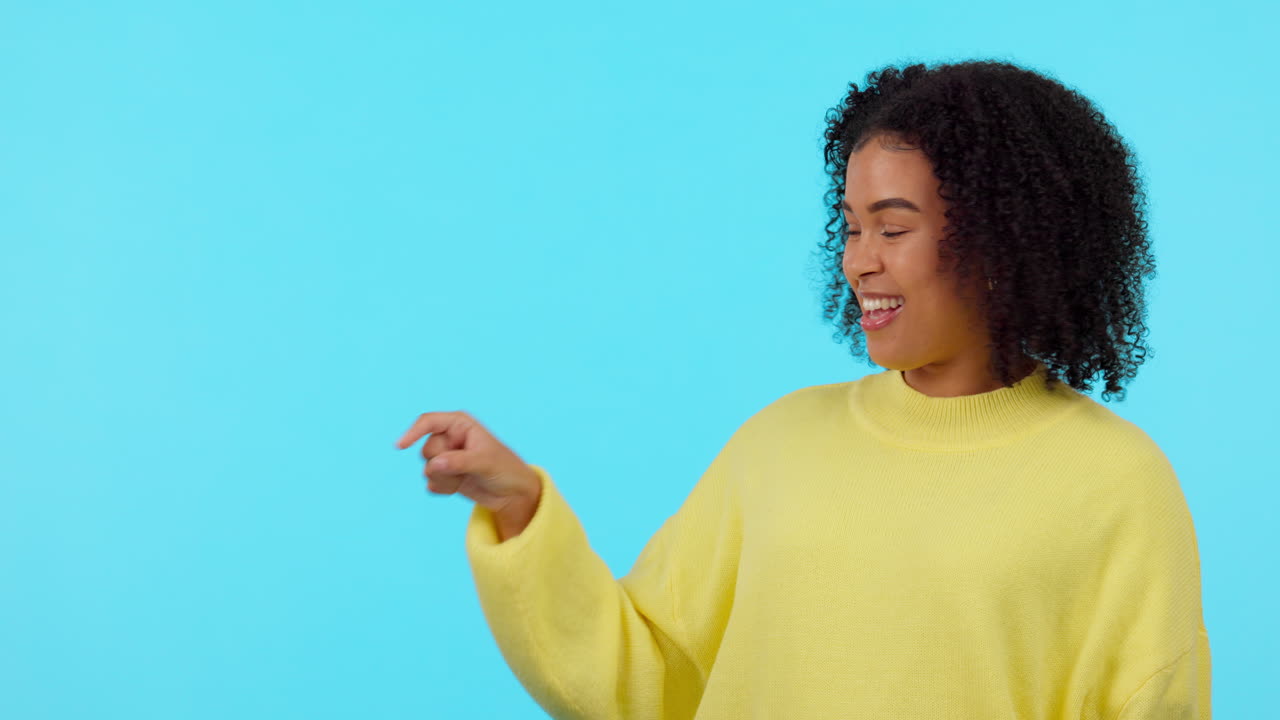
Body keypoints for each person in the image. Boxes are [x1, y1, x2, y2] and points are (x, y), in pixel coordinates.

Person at [395, 59, 1210, 719]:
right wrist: (518, 505)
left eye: (893, 228)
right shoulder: (781, 442)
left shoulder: (1113, 482)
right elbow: (643, 679)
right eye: (851, 227)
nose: (860, 260)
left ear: (1005, 240)